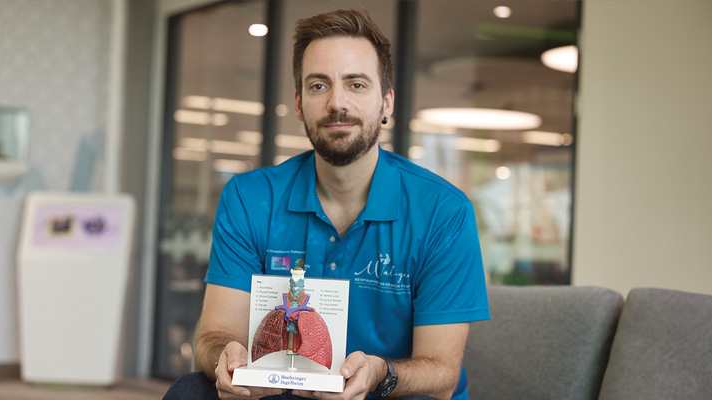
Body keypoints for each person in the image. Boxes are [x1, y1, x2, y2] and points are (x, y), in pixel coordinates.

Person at [163, 8, 489, 400]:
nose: (337, 103)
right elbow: (213, 335)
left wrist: (381, 373)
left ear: (386, 103)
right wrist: (226, 358)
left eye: (356, 84)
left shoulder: (443, 212)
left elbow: (442, 372)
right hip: (284, 392)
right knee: (191, 390)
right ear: (299, 104)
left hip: (387, 394)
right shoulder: (250, 198)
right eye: (319, 86)